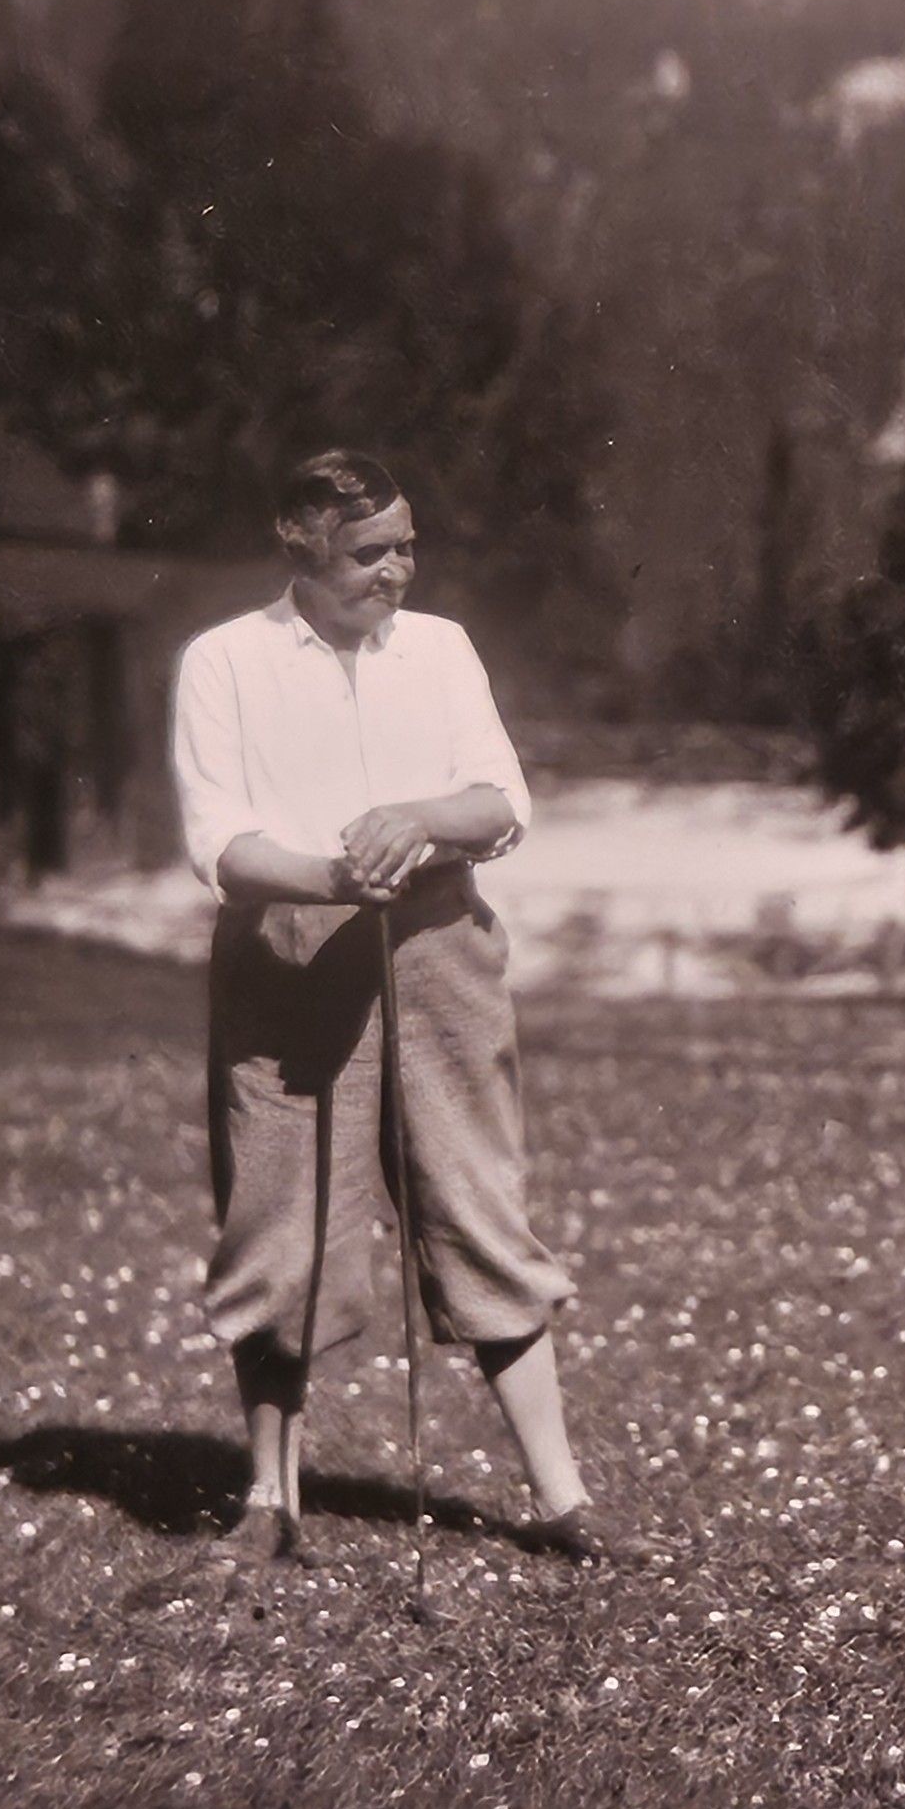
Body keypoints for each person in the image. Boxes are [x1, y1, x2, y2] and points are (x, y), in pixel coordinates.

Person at [170, 448, 611, 1567]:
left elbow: (501, 799)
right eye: (371, 552)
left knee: (478, 1206)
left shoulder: (444, 651)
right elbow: (216, 838)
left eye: (408, 544)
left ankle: (566, 1504)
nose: (399, 570)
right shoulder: (223, 662)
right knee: (281, 1224)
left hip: (437, 946)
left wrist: (418, 816)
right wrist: (328, 876)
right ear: (301, 544)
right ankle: (270, 1501)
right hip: (288, 950)